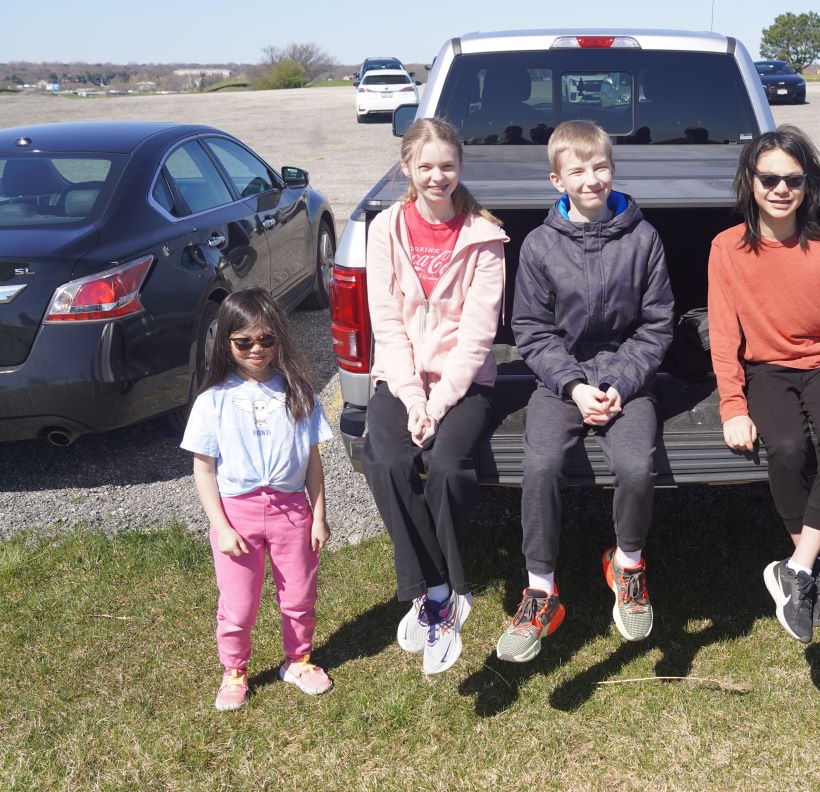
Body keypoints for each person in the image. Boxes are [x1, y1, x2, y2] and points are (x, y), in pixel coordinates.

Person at [707, 125, 820, 645]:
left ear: (808, 186)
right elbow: (723, 335)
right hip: (765, 370)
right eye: (769, 178)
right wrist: (732, 407)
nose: (781, 189)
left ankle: (797, 567)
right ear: (750, 182)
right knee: (787, 447)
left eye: (793, 179)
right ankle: (807, 570)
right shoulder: (726, 249)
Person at [496, 120, 674, 663]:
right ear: (557, 180)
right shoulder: (540, 245)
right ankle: (542, 590)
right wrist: (574, 386)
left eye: (599, 167)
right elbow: (530, 328)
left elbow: (657, 323)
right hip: (561, 380)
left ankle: (627, 563)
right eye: (577, 171)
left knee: (638, 467)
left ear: (612, 169)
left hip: (629, 376)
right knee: (543, 464)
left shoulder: (643, 239)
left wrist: (620, 384)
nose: (591, 179)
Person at [361, 116, 508, 675]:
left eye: (447, 165)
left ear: (460, 168)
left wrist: (438, 402)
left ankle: (441, 592)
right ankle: (443, 590)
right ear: (407, 168)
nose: (436, 176)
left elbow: (477, 337)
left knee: (446, 465)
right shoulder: (385, 230)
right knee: (389, 459)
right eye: (425, 166)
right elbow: (386, 323)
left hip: (462, 381)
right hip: (402, 377)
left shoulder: (485, 237)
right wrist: (410, 396)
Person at [182, 288, 334, 711]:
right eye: (244, 341)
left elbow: (312, 462)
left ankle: (298, 660)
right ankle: (235, 670)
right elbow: (204, 469)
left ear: (279, 339)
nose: (256, 349)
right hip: (237, 514)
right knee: (239, 602)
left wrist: (318, 516)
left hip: (292, 513)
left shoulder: (299, 393)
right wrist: (222, 526)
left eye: (266, 339)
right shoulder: (212, 401)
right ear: (226, 342)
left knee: (300, 594)